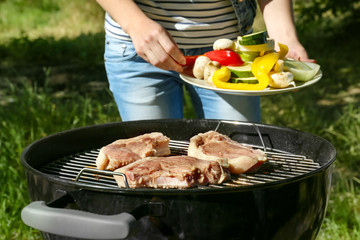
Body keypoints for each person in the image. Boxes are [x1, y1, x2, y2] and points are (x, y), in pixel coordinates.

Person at [96, 0, 314, 122]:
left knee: (238, 162)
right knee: (152, 163)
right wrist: (135, 24)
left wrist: (284, 38)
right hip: (140, 52)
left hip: (230, 60)